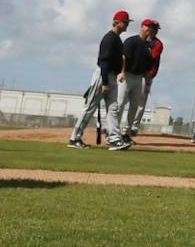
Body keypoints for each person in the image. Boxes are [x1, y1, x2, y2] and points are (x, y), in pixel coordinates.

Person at [69, 11, 129, 148]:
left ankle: (114, 139)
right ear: (116, 22)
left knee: (114, 109)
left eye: (127, 22)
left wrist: (120, 73)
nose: (126, 25)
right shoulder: (109, 38)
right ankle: (74, 138)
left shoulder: (117, 39)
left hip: (112, 77)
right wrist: (105, 82)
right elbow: (104, 61)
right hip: (103, 76)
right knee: (89, 108)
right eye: (124, 22)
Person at [117, 19, 163, 144]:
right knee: (120, 103)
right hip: (127, 75)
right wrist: (122, 72)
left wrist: (148, 82)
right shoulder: (131, 41)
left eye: (152, 28)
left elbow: (149, 66)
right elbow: (124, 57)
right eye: (148, 27)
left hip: (139, 78)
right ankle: (114, 133)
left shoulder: (149, 46)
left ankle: (126, 133)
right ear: (142, 27)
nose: (150, 30)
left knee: (134, 106)